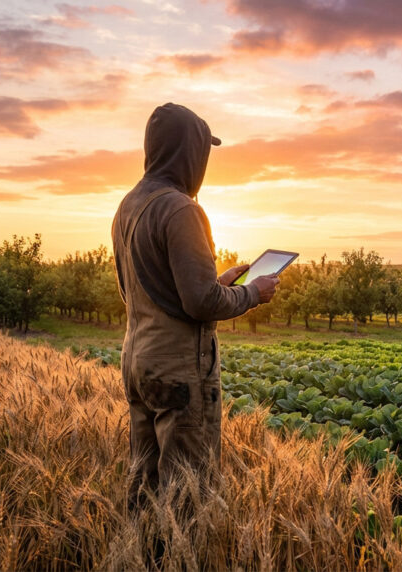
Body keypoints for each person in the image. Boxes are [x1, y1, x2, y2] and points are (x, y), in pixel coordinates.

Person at [111, 102, 278, 511]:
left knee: (144, 484)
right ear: (189, 152)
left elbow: (143, 291)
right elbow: (201, 303)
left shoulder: (128, 206)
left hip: (138, 361)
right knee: (187, 496)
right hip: (178, 370)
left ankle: (140, 557)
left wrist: (219, 282)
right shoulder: (181, 208)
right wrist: (252, 292)